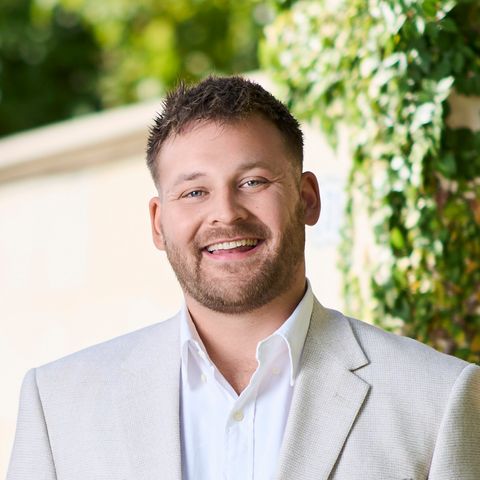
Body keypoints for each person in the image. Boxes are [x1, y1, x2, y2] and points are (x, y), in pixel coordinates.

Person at [7, 76, 480, 480]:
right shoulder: (58, 405)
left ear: (308, 198)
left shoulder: (437, 399)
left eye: (253, 182)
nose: (226, 214)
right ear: (158, 223)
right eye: (194, 192)